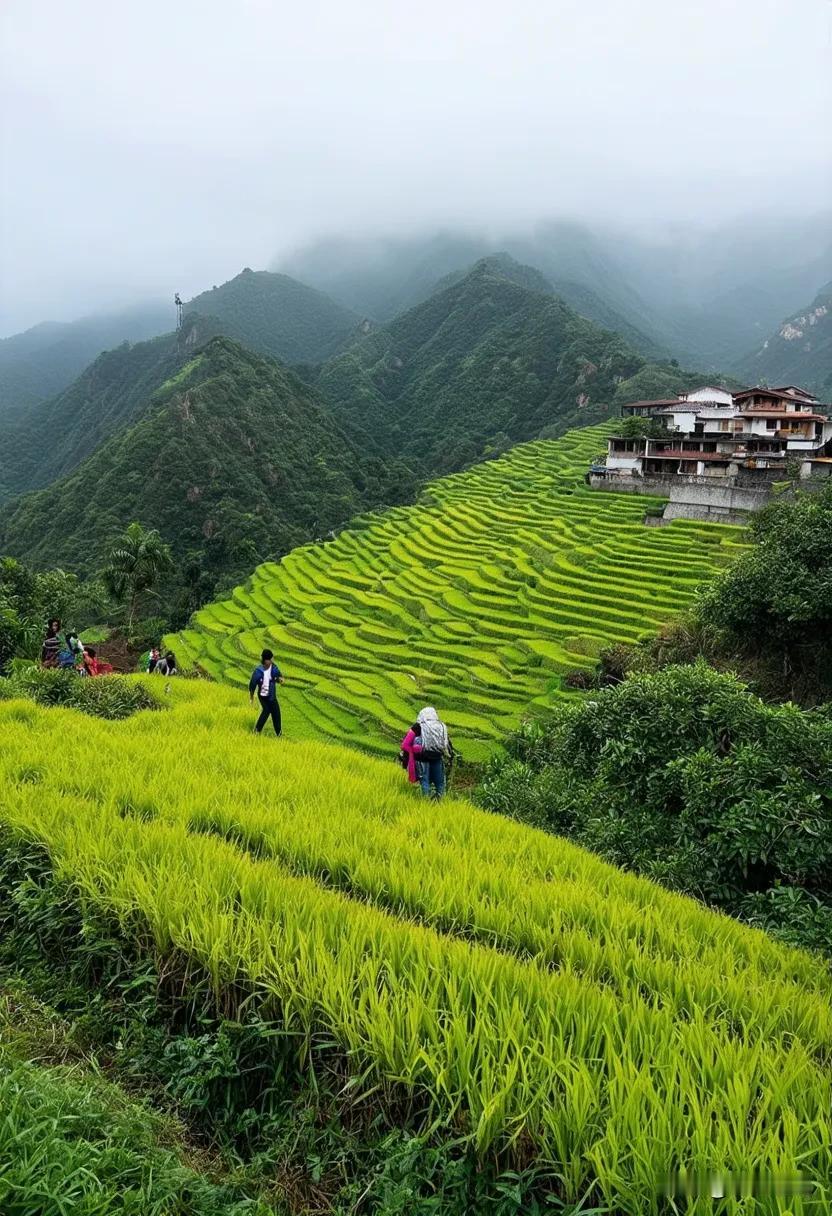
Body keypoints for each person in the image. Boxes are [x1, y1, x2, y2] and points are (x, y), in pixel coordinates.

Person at [414, 706, 453, 798]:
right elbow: (446, 743)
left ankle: (425, 802)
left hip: (422, 758)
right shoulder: (441, 726)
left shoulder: (420, 726)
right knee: (440, 783)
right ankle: (441, 802)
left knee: (424, 781)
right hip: (437, 757)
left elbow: (409, 741)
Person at [249, 648, 284, 736]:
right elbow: (252, 685)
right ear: (266, 660)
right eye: (270, 659)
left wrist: (280, 679)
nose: (272, 660)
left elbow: (278, 676)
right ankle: (256, 731)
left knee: (276, 713)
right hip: (263, 696)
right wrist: (251, 697)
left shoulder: (274, 667)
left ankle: (279, 734)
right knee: (267, 710)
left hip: (271, 696)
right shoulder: (258, 671)